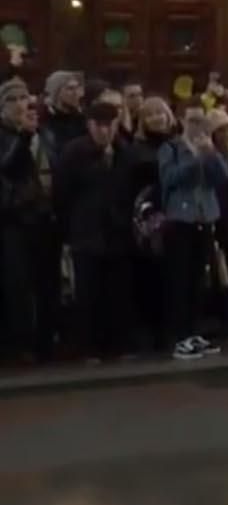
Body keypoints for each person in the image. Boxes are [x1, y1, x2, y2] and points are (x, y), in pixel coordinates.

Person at [54, 101, 141, 360]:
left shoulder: (124, 152)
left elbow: (131, 187)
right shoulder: (74, 152)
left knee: (117, 290)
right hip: (86, 231)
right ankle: (88, 346)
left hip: (117, 231)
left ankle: (118, 343)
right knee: (88, 293)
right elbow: (62, 193)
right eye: (98, 126)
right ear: (89, 126)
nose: (104, 132)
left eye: (109, 126)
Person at [157, 106, 228, 360]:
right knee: (180, 280)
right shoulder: (172, 149)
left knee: (199, 279)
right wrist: (195, 158)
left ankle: (194, 331)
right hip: (180, 220)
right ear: (182, 120)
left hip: (205, 218)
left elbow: (222, 177)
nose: (197, 125)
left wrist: (210, 155)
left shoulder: (208, 147)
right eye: (193, 120)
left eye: (202, 120)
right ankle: (179, 336)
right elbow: (169, 179)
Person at [0, 78, 53, 363]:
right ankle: (19, 345)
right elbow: (7, 167)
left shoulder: (38, 132)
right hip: (11, 220)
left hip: (38, 216)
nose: (22, 104)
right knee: (16, 283)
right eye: (14, 100)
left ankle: (44, 340)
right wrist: (22, 138)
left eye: (25, 99)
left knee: (43, 281)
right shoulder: (9, 135)